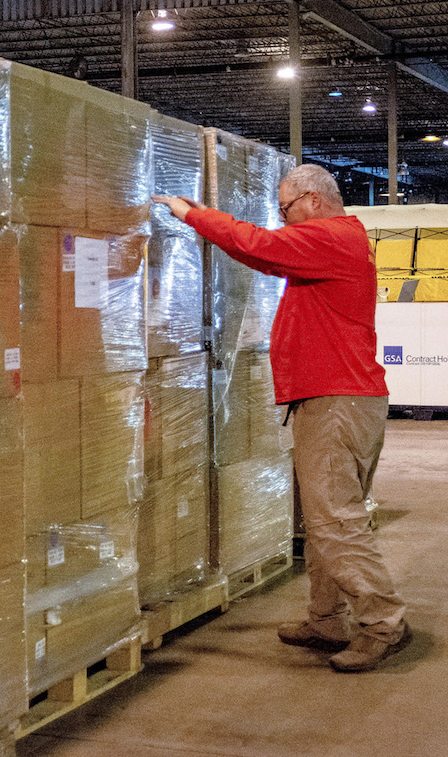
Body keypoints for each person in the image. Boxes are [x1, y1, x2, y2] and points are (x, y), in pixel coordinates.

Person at [152, 164, 409, 673]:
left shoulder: (332, 237)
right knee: (323, 519)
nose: (281, 217)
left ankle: (382, 621)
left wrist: (193, 215)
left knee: (335, 520)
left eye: (285, 207)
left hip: (338, 401)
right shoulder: (334, 242)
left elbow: (259, 247)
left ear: (312, 200)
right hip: (330, 399)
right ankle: (326, 618)